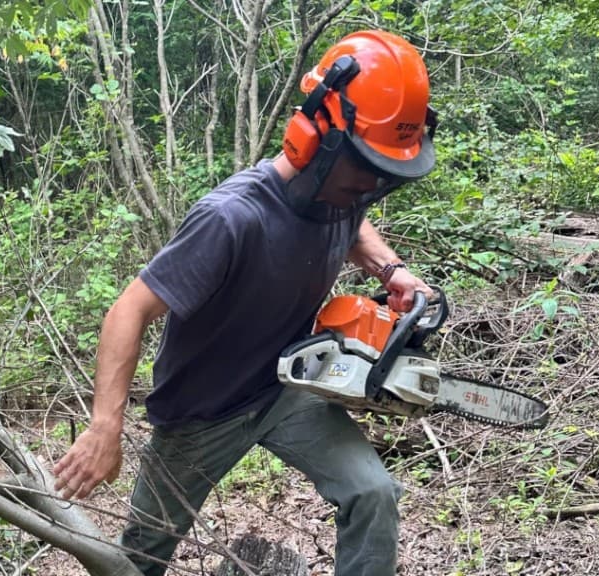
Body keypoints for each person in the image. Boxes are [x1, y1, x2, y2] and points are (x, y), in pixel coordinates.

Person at [53, 30, 437, 576]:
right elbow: (127, 311)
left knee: (373, 493)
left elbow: (352, 224)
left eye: (383, 173)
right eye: (366, 169)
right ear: (316, 139)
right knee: (140, 559)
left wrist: (391, 270)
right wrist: (104, 426)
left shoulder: (343, 192)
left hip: (286, 386)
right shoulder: (231, 218)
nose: (371, 185)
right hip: (200, 412)